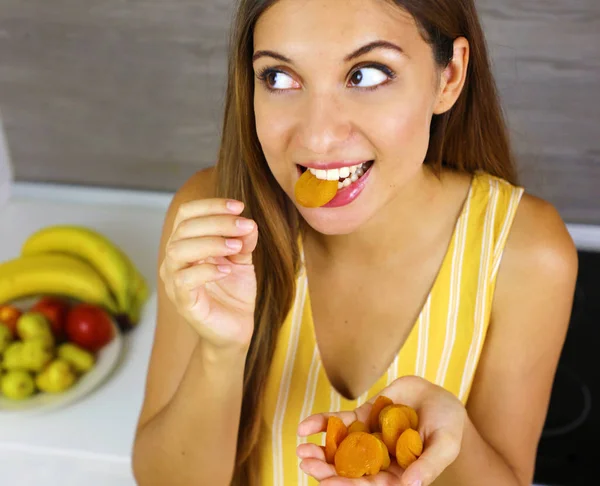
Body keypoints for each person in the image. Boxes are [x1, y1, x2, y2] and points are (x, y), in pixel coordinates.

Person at [131, 0, 578, 485]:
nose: (319, 137)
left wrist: (453, 442)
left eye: (366, 74)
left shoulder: (525, 252)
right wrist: (219, 354)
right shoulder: (213, 219)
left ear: (448, 76)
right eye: (279, 77)